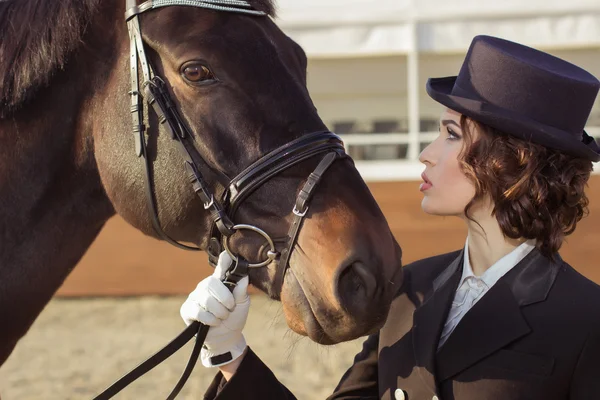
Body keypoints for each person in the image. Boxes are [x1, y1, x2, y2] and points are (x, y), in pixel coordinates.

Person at [180, 35, 600, 399]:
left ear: (509, 161)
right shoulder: (409, 289)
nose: (427, 153)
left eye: (451, 134)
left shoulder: (586, 319)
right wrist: (229, 350)